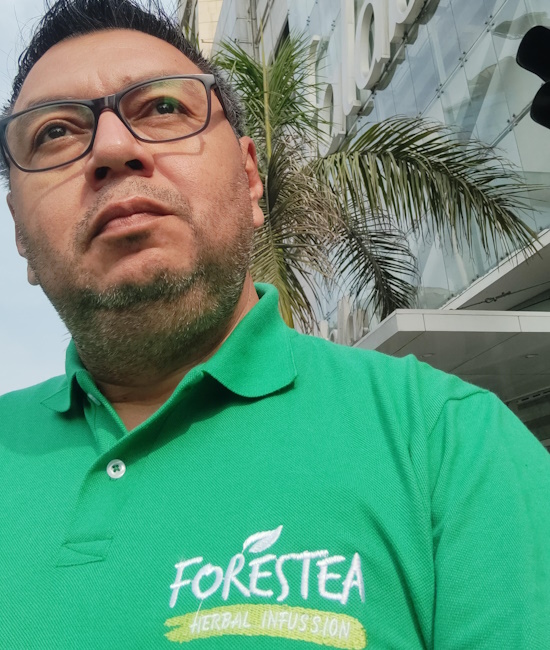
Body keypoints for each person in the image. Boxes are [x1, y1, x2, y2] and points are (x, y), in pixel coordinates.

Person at [0, 1, 548, 648]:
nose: (114, 149)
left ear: (250, 178)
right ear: (19, 232)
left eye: (163, 107)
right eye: (54, 133)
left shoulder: (447, 442)